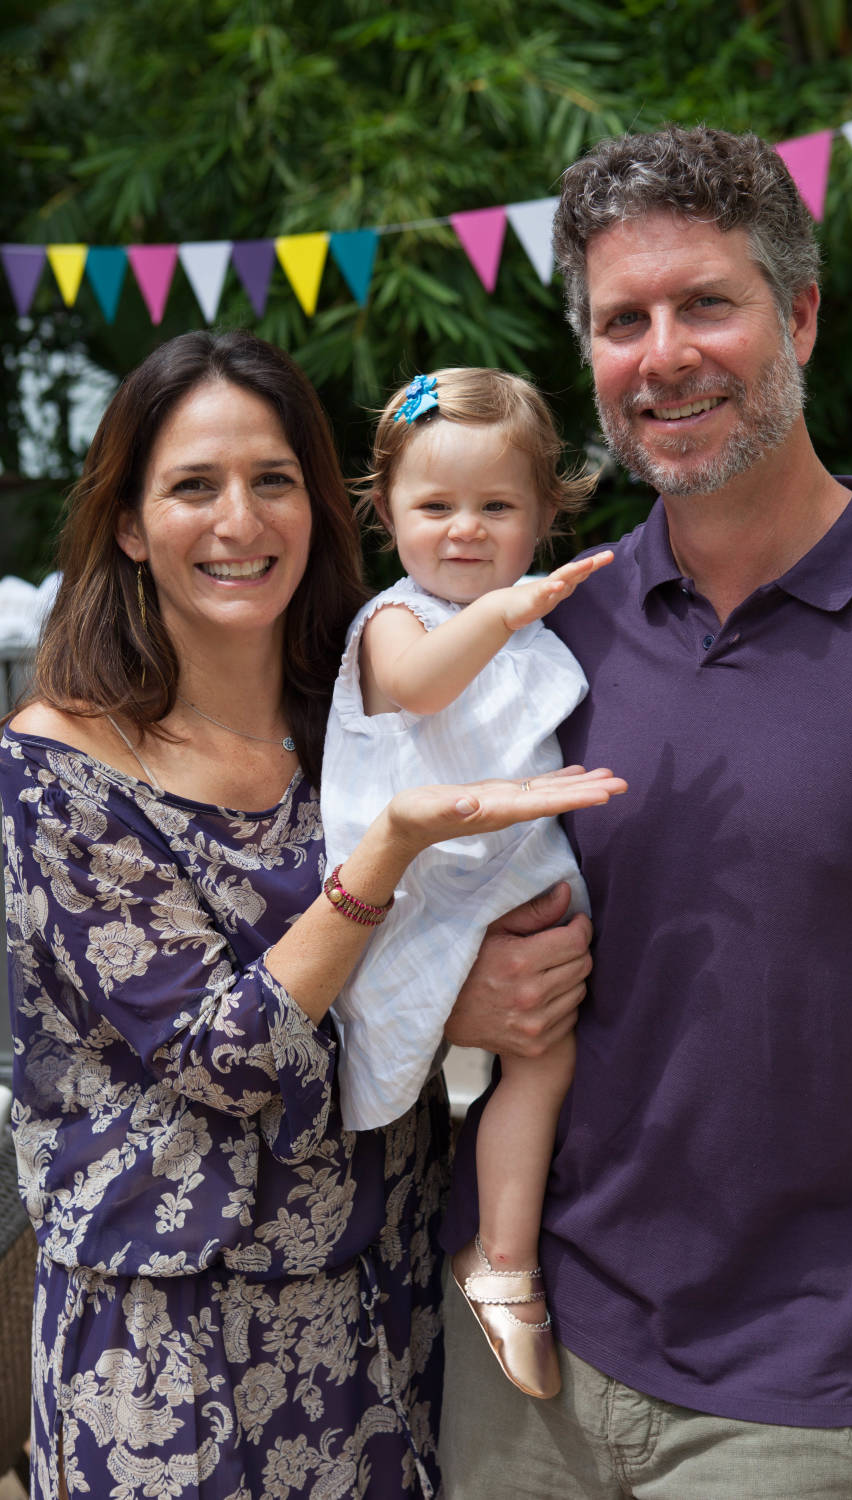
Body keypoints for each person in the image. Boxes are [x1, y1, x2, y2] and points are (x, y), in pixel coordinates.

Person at [439, 124, 852, 1499]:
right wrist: (459, 1001)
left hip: (786, 1397)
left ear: (800, 314)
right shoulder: (549, 632)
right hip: (515, 1352)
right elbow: (432, 917)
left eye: (707, 303)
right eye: (622, 320)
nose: (663, 353)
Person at [0, 330, 626, 1500]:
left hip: (381, 1307)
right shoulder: (58, 767)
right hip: (171, 1348)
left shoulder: (359, 716)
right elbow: (224, 1058)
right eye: (194, 485)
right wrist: (392, 874)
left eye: (272, 480)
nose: (240, 520)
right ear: (130, 523)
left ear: (322, 506)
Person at [320, 367, 613, 1400]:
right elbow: (421, 686)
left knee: (546, 1057)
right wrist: (506, 613)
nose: (464, 531)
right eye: (434, 506)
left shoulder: (534, 631)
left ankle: (502, 1252)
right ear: (386, 510)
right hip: (419, 883)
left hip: (507, 872)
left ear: (542, 514)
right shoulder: (393, 622)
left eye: (497, 507)